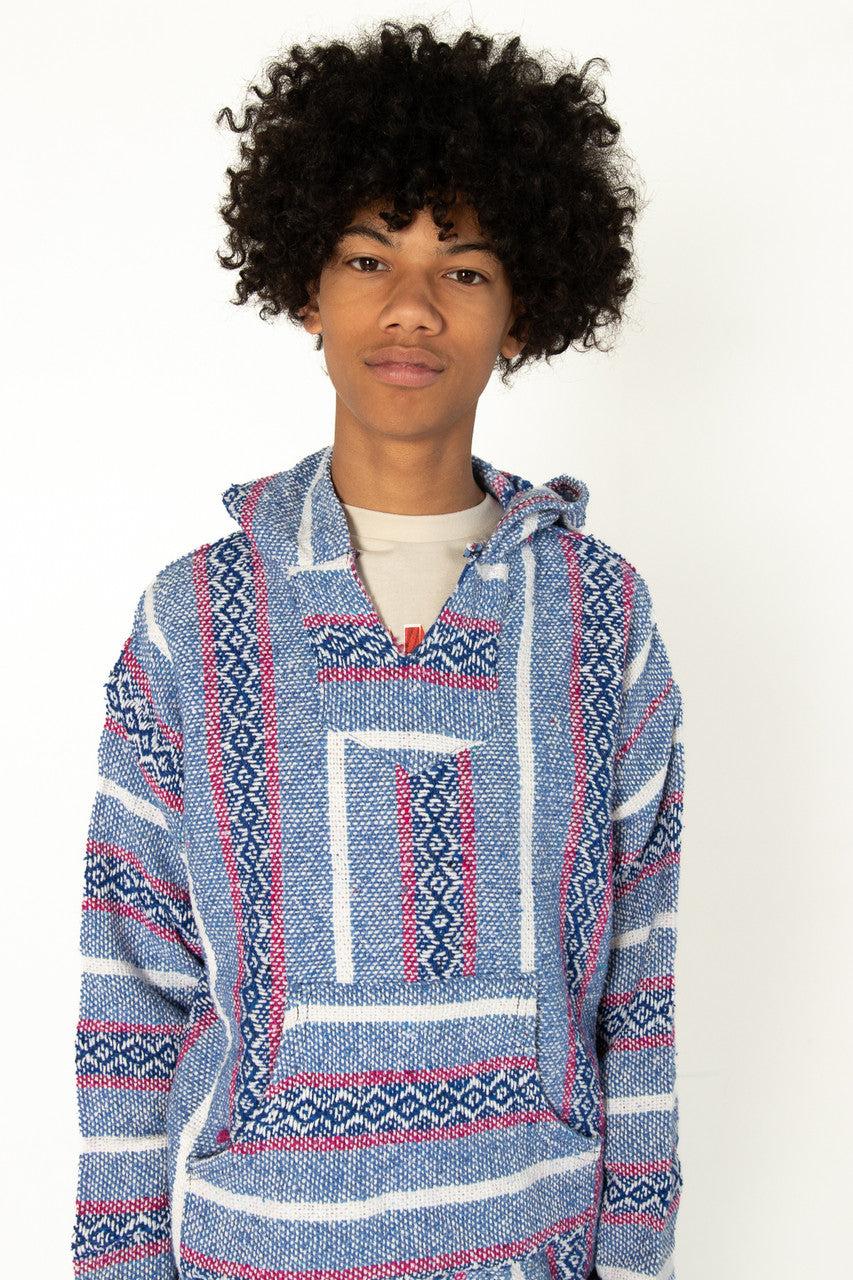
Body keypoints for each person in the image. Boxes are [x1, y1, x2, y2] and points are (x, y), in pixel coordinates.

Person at [71, 19, 685, 1280]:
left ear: (521, 312)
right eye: (366, 257)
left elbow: (640, 982)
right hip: (251, 1248)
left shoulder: (602, 616)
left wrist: (635, 1257)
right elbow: (128, 983)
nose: (411, 306)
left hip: (531, 1248)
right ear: (306, 288)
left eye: (464, 268)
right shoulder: (194, 616)